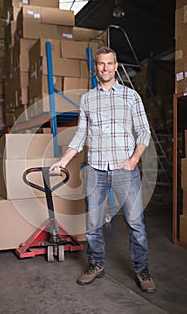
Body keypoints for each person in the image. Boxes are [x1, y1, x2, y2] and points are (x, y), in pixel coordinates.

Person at [49, 46, 155, 293]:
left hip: (124, 168)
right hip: (96, 169)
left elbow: (144, 131)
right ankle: (96, 265)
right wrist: (64, 160)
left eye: (109, 63)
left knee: (135, 222)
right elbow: (81, 134)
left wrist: (134, 159)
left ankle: (142, 268)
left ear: (116, 66)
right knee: (93, 223)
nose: (105, 68)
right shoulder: (87, 99)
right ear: (95, 67)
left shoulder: (131, 96)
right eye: (100, 64)